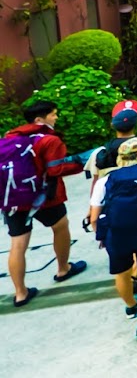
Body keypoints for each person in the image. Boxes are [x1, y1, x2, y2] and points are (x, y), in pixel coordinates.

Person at [3, 98, 87, 307]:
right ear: (40, 119)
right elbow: (55, 169)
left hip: (13, 199)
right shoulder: (49, 141)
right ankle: (63, 269)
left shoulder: (9, 138)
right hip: (45, 197)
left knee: (18, 244)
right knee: (60, 227)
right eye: (53, 114)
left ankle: (20, 293)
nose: (56, 117)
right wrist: (81, 164)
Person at [91, 135, 137, 339]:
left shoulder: (106, 181)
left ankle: (132, 307)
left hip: (116, 233)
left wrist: (103, 235)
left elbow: (94, 216)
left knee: (121, 274)